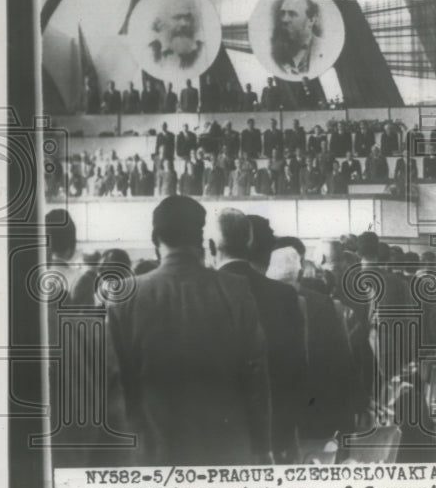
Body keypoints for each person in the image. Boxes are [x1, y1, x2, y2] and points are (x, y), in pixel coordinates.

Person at [104, 196, 270, 465]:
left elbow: (118, 385)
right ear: (200, 238)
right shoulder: (235, 290)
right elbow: (256, 376)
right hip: (227, 450)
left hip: (155, 452)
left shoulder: (124, 296)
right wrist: (262, 447)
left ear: (155, 238)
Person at [213, 211, 306, 463]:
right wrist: (288, 434)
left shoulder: (201, 293)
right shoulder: (283, 296)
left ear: (211, 246)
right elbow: (297, 368)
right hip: (274, 430)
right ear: (249, 242)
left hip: (218, 436)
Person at [267, 241, 360, 441]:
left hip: (278, 414)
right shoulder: (324, 303)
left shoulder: (261, 304)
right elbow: (342, 358)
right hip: (321, 411)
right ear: (300, 274)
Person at [148, 0, 204, 70]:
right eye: (177, 17)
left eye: (187, 17)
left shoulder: (202, 51)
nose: (184, 23)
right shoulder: (151, 51)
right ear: (162, 22)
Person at [272, 0, 323, 76]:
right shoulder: (273, 54)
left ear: (311, 20)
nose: (284, 20)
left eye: (292, 14)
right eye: (282, 14)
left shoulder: (325, 49)